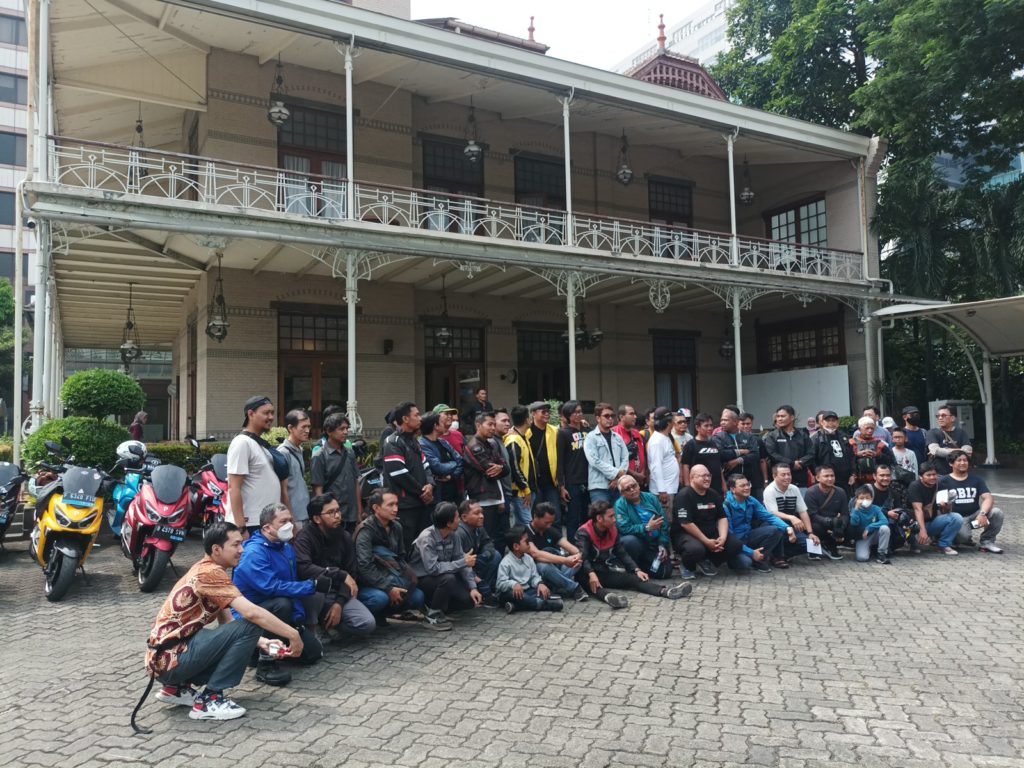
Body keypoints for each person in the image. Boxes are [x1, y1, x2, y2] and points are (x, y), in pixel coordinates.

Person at [141, 522, 304, 723]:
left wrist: (263, 642)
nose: (242, 550)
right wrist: (293, 634)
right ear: (217, 549)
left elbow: (228, 623)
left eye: (241, 544)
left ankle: (176, 689)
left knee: (233, 630)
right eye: (235, 545)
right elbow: (252, 614)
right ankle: (209, 700)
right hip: (169, 661)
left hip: (163, 660)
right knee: (252, 623)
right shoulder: (210, 574)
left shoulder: (207, 569)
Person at [232, 503, 328, 685]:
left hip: (277, 613)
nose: (289, 525)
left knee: (313, 654)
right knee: (282, 604)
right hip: (250, 616)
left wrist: (297, 621)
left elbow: (290, 585)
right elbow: (272, 587)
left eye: (290, 520)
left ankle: (262, 649)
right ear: (267, 528)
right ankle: (265, 662)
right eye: (283, 521)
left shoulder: (285, 547)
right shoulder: (253, 553)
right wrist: (312, 585)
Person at [576, 500, 692, 608]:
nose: (615, 519)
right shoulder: (584, 532)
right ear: (599, 518)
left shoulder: (612, 529)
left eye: (614, 515)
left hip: (603, 571)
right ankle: (611, 599)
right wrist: (591, 573)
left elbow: (622, 553)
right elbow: (583, 557)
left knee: (633, 579)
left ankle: (666, 591)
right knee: (593, 585)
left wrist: (636, 569)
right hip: (585, 572)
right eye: (610, 516)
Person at [293, 494, 376, 641]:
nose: (337, 516)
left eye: (338, 510)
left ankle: (330, 627)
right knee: (315, 591)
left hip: (337, 592)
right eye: (331, 512)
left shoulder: (344, 536)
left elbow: (351, 573)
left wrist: (339, 603)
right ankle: (311, 629)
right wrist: (339, 574)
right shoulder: (304, 537)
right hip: (314, 593)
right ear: (317, 518)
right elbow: (304, 568)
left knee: (367, 624)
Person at [353, 489, 429, 623]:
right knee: (379, 599)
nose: (395, 509)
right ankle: (368, 617)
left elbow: (400, 557)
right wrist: (388, 588)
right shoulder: (365, 530)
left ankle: (386, 613)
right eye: (390, 505)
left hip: (392, 577)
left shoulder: (396, 527)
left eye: (396, 504)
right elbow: (364, 566)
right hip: (368, 582)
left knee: (418, 597)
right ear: (376, 508)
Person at [410, 502, 483, 629]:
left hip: (441, 576)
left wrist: (473, 587)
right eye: (457, 517)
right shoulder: (427, 538)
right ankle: (432, 616)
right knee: (448, 578)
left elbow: (460, 559)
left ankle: (440, 610)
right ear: (449, 523)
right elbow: (433, 569)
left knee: (467, 601)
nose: (459, 520)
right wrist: (463, 562)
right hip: (422, 578)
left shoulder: (453, 535)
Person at [226, 395, 288, 534]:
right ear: (251, 414)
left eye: (272, 413)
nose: (271, 417)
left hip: (266, 522)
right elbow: (234, 488)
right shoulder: (242, 443)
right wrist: (241, 528)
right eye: (266, 413)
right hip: (251, 523)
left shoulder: (259, 444)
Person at [670, 465, 744, 578]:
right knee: (695, 549)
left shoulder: (713, 494)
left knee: (736, 545)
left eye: (709, 475)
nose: (707, 478)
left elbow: (722, 517)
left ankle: (706, 560)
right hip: (686, 534)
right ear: (692, 477)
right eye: (703, 476)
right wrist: (706, 542)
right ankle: (687, 565)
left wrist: (723, 538)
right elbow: (686, 523)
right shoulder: (684, 495)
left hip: (710, 532)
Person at [381, 401, 434, 554]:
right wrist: (422, 491)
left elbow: (426, 465)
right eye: (416, 415)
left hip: (422, 504)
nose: (420, 418)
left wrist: (430, 485)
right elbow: (399, 473)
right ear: (405, 419)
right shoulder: (392, 442)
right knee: (406, 549)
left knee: (422, 547)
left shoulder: (414, 441)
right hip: (405, 506)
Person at [938, 450, 1005, 553]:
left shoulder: (976, 479)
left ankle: (987, 542)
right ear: (951, 464)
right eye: (959, 460)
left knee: (997, 513)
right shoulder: (943, 481)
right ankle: (945, 537)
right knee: (964, 538)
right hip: (957, 519)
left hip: (975, 517)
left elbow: (988, 497)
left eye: (965, 460)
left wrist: (982, 514)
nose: (963, 463)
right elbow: (940, 506)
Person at [722, 474, 788, 573]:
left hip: (748, 536)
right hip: (735, 544)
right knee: (745, 563)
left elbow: (768, 516)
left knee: (776, 529)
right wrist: (751, 552)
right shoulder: (726, 506)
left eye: (748, 484)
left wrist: (787, 528)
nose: (747, 488)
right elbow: (730, 537)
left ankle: (759, 560)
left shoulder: (750, 500)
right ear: (733, 489)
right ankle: (747, 557)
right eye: (742, 486)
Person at [463, 412, 510, 547]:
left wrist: (501, 467)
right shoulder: (474, 446)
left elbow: (506, 468)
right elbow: (489, 471)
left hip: (495, 496)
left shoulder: (491, 444)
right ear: (478, 425)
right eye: (490, 424)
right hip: (482, 498)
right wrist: (501, 467)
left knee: (501, 535)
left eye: (494, 424)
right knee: (487, 537)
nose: (493, 428)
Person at [526, 502, 588, 601]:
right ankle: (574, 588)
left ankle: (556, 585)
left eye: (551, 522)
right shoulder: (525, 532)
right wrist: (565, 560)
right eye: (546, 522)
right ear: (535, 517)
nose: (549, 525)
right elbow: (536, 554)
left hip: (556, 569)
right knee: (544, 566)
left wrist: (577, 556)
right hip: (536, 572)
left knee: (578, 562)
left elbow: (571, 548)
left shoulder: (550, 530)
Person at [310, 412, 361, 533]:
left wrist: (359, 511)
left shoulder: (350, 453)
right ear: (329, 431)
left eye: (347, 428)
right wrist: (322, 517)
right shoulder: (319, 456)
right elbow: (318, 490)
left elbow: (356, 482)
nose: (345, 432)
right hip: (332, 516)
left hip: (352, 514)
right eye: (341, 429)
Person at [613, 475, 671, 578]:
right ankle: (631, 568)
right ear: (622, 493)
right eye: (627, 489)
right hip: (638, 543)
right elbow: (624, 528)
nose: (632, 490)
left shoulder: (651, 497)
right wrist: (646, 527)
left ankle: (641, 566)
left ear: (638, 486)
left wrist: (662, 544)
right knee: (629, 541)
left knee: (665, 572)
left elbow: (664, 523)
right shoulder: (620, 505)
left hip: (654, 543)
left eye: (634, 486)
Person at [496, 527, 564, 614]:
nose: (529, 544)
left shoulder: (528, 558)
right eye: (527, 542)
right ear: (516, 546)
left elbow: (534, 576)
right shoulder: (505, 562)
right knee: (514, 595)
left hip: (527, 591)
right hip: (511, 593)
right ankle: (541, 605)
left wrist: (540, 584)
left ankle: (516, 606)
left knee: (543, 592)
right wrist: (513, 584)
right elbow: (500, 584)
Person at [762, 464, 818, 561]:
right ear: (774, 476)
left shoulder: (794, 489)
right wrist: (792, 517)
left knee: (811, 546)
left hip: (791, 524)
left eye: (789, 474)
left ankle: (784, 554)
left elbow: (803, 511)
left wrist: (810, 533)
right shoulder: (769, 490)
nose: (787, 477)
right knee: (776, 533)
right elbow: (773, 513)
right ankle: (777, 556)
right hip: (774, 524)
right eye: (783, 475)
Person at [907, 462, 964, 555]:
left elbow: (945, 511)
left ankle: (943, 545)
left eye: (934, 474)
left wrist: (945, 506)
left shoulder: (940, 485)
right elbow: (918, 509)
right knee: (916, 542)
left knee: (956, 518)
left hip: (932, 521)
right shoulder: (915, 486)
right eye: (928, 475)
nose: (932, 477)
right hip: (914, 524)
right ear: (921, 477)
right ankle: (913, 543)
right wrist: (922, 530)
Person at [454, 499, 501, 601]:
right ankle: (480, 589)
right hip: (461, 569)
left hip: (476, 562)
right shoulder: (459, 534)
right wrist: (476, 579)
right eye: (476, 513)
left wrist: (485, 555)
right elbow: (460, 563)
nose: (482, 516)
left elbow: (488, 542)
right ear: (464, 517)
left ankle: (486, 591)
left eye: (482, 513)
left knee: (495, 555)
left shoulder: (479, 528)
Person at [583, 402, 629, 506]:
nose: (610, 418)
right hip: (599, 487)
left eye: (612, 416)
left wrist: (618, 478)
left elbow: (625, 457)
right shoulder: (591, 437)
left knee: (620, 514)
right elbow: (594, 461)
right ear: (598, 418)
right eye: (606, 416)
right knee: (602, 515)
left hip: (619, 485)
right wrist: (616, 473)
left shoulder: (617, 437)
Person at [557, 400, 590, 538]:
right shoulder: (563, 433)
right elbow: (560, 461)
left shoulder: (588, 430)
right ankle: (572, 545)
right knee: (573, 517)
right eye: (575, 412)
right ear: (568, 415)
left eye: (580, 411)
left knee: (587, 516)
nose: (579, 414)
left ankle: (586, 543)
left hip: (589, 480)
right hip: (572, 481)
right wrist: (561, 486)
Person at [419, 411, 464, 505]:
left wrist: (452, 476)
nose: (444, 424)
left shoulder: (443, 442)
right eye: (441, 422)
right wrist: (454, 463)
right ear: (435, 426)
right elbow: (438, 467)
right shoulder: (422, 444)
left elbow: (460, 460)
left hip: (454, 492)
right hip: (438, 495)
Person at [715, 407, 761, 496]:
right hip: (728, 482)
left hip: (748, 481)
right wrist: (740, 451)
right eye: (721, 420)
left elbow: (755, 454)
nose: (722, 423)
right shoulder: (718, 437)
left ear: (735, 422)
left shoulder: (748, 437)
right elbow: (720, 454)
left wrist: (738, 461)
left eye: (725, 420)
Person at [525, 401, 561, 515]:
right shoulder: (526, 431)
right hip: (534, 483)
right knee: (536, 515)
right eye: (543, 412)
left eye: (548, 412)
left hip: (551, 481)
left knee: (555, 515)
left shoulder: (554, 431)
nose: (547, 414)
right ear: (533, 414)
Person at [803, 466, 847, 560]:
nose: (830, 479)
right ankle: (815, 549)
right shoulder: (811, 492)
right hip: (818, 522)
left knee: (851, 526)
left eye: (832, 476)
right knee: (815, 527)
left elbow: (845, 513)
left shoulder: (840, 492)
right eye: (826, 476)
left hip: (835, 522)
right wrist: (829, 521)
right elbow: (812, 515)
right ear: (817, 478)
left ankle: (833, 545)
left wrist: (841, 527)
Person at [764, 405, 813, 488]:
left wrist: (801, 462)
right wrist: (791, 463)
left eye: (783, 416)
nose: (779, 419)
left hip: (801, 481)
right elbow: (772, 454)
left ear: (792, 417)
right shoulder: (772, 435)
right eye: (778, 416)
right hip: (780, 482)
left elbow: (811, 453)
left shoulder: (803, 435)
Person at [277, 409, 311, 528]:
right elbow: (283, 490)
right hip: (294, 518)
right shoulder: (283, 453)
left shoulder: (299, 449)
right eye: (303, 427)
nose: (307, 431)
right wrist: (289, 520)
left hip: (304, 514)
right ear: (291, 428)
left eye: (308, 427)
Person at [810, 410, 857, 496]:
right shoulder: (816, 438)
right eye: (828, 420)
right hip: (826, 479)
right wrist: (817, 474)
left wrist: (853, 474)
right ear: (822, 422)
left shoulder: (844, 437)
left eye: (833, 420)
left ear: (838, 422)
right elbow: (811, 459)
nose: (831, 423)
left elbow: (852, 456)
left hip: (844, 480)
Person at [504, 404, 535, 527]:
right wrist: (526, 489)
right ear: (527, 420)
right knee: (528, 524)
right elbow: (515, 468)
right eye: (530, 417)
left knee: (520, 525)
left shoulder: (523, 436)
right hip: (520, 491)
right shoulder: (513, 440)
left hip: (525, 490)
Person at [681, 412, 726, 496]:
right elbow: (685, 466)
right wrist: (687, 486)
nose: (710, 428)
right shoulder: (690, 445)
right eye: (706, 426)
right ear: (697, 427)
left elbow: (718, 466)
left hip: (716, 488)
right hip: (699, 488)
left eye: (711, 425)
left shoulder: (713, 443)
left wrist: (723, 484)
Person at [646, 407, 679, 518]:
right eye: (673, 419)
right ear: (668, 422)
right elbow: (656, 466)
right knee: (665, 521)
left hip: (669, 488)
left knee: (669, 519)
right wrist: (662, 490)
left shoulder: (665, 437)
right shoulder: (657, 441)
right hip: (663, 491)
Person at [849, 484, 892, 564]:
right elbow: (854, 523)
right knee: (862, 558)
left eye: (867, 498)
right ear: (857, 499)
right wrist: (856, 509)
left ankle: (881, 554)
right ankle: (868, 549)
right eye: (861, 498)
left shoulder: (876, 508)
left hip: (875, 534)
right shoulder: (855, 510)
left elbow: (884, 521)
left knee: (885, 528)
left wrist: (869, 527)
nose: (865, 500)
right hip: (863, 537)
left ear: (872, 498)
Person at [926, 405, 973, 474]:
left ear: (952, 418)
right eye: (938, 416)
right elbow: (936, 451)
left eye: (943, 415)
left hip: (958, 473)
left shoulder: (961, 432)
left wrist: (944, 450)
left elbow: (968, 451)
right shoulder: (932, 432)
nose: (940, 418)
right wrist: (961, 450)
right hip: (939, 474)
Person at [849, 417, 894, 486]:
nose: (870, 431)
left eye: (872, 428)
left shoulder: (880, 443)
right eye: (867, 428)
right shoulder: (851, 443)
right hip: (857, 481)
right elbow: (845, 461)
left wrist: (878, 455)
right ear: (859, 429)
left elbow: (891, 460)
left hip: (877, 481)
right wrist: (857, 455)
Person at [613, 404, 648, 490]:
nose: (635, 417)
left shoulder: (637, 433)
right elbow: (615, 460)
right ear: (622, 417)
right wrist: (635, 474)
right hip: (624, 482)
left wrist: (643, 473)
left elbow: (643, 455)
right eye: (631, 414)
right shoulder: (614, 433)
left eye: (635, 414)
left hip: (640, 481)